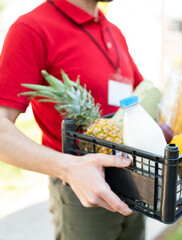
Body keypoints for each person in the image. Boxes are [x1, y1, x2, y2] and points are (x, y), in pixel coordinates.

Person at [0, 0, 145, 239]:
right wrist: (69, 169)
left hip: (135, 183)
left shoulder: (113, 30)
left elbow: (141, 92)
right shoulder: (31, 28)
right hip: (81, 194)